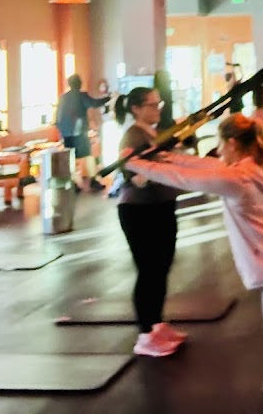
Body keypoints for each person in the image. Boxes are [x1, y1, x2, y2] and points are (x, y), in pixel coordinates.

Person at [125, 113, 263, 413]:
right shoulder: (259, 167)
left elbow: (185, 178)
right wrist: (162, 155)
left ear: (232, 143)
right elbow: (203, 165)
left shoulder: (238, 179)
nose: (218, 150)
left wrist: (133, 163)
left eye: (220, 144)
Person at [112, 87, 184, 358]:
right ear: (136, 109)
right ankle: (145, 334)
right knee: (149, 270)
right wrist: (160, 170)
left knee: (161, 266)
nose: (157, 109)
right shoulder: (133, 135)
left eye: (158, 104)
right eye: (152, 105)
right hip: (139, 211)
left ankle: (156, 324)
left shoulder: (153, 133)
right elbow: (133, 175)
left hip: (161, 206)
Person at [55, 74, 109, 191]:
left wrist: (62, 131)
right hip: (79, 132)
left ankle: (72, 182)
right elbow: (94, 103)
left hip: (66, 133)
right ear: (79, 84)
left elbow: (57, 117)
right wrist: (108, 98)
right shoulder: (81, 96)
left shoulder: (63, 97)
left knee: (71, 159)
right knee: (88, 156)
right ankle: (93, 181)